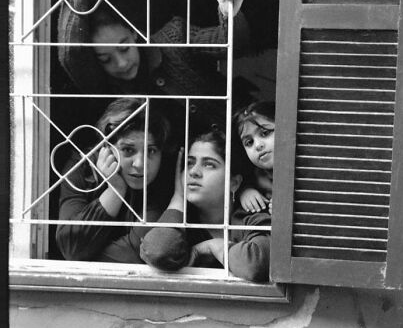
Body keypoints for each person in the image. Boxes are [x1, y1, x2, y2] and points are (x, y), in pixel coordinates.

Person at [57, 0, 252, 134]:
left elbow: (231, 43)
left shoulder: (173, 37)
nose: (121, 63)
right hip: (193, 171)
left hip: (248, 131)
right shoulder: (106, 86)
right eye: (106, 59)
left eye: (124, 48)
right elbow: (71, 54)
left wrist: (228, 12)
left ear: (133, 32)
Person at [139, 128, 270, 282]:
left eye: (209, 165)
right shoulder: (182, 225)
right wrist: (178, 197)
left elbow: (254, 265)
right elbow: (158, 251)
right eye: (189, 163)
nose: (193, 172)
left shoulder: (251, 217)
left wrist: (213, 246)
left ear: (234, 182)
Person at [55, 98, 172, 263]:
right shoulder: (81, 166)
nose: (139, 164)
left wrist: (85, 259)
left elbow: (137, 251)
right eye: (128, 150)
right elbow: (72, 248)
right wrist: (115, 190)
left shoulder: (163, 179)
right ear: (106, 148)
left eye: (151, 151)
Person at [233, 101, 275, 214]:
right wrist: (244, 192)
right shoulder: (254, 178)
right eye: (249, 142)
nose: (257, 145)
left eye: (265, 133)